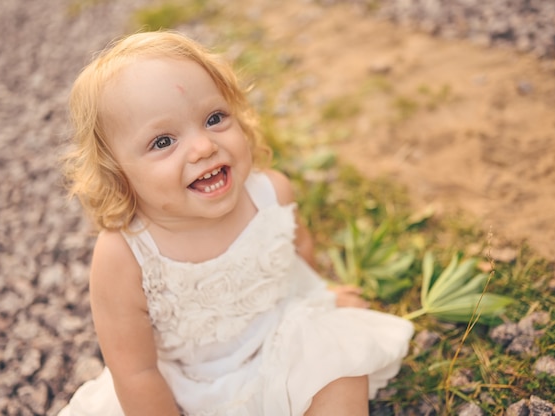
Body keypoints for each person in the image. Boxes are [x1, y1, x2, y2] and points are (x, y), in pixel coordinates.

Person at [58, 31, 414, 416]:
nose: (204, 147)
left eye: (214, 118)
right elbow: (136, 372)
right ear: (118, 174)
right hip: (185, 388)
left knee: (341, 372)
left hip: (280, 340)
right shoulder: (123, 255)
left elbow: (298, 252)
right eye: (163, 142)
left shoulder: (270, 194)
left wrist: (322, 300)